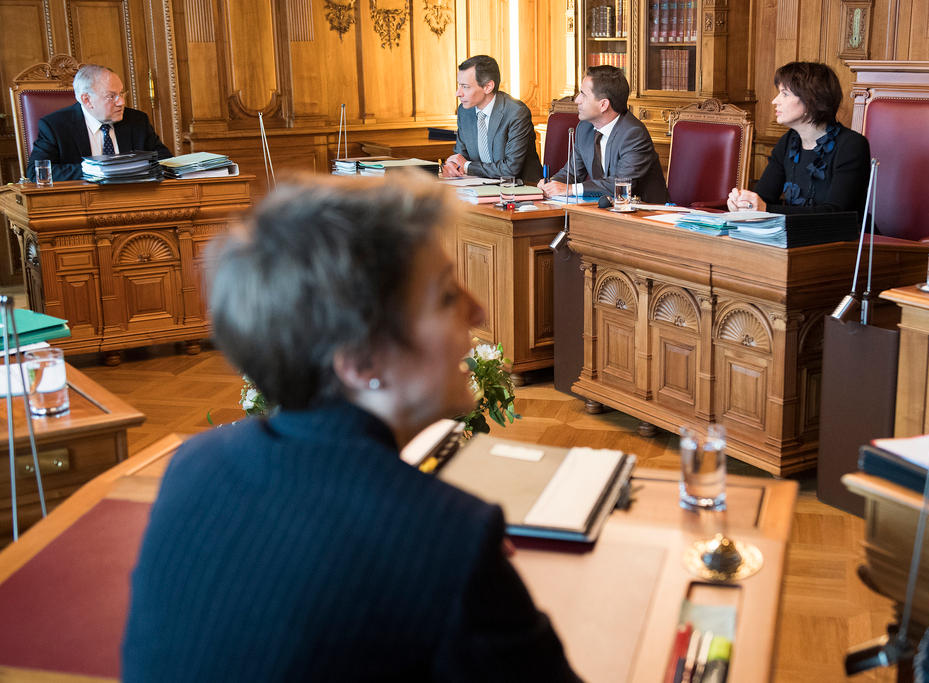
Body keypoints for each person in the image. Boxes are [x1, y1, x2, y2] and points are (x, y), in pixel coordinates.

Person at [121, 173, 581, 682]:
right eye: (447, 297)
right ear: (361, 362)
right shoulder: (447, 540)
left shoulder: (195, 463)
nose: (479, 310)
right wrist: (457, 559)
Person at [728, 61, 870, 215]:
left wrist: (765, 209)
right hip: (793, 236)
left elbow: (835, 213)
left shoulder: (851, 145)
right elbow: (764, 197)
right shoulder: (788, 142)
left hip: (845, 237)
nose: (774, 101)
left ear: (811, 100)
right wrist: (744, 204)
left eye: (785, 94)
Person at [538, 65, 667, 204]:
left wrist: (570, 189)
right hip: (605, 210)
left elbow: (620, 186)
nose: (577, 100)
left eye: (583, 94)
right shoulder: (584, 128)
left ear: (603, 105)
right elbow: (571, 173)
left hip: (645, 215)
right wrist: (550, 184)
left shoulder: (633, 134)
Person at [27, 64, 171, 182]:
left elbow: (165, 160)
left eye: (121, 94)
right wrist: (97, 170)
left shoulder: (137, 120)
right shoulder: (55, 126)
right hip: (81, 204)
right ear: (87, 100)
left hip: (133, 199)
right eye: (111, 96)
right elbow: (38, 173)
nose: (121, 102)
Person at [443, 55, 543, 183]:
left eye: (465, 86)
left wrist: (467, 166)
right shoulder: (464, 111)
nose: (458, 93)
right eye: (459, 85)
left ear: (488, 87)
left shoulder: (516, 112)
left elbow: (510, 170)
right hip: (479, 187)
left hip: (520, 189)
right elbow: (460, 157)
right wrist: (452, 165)